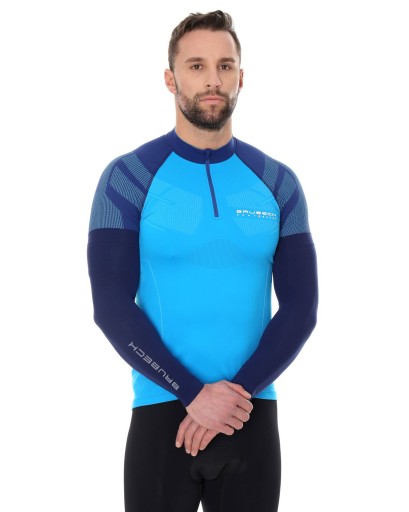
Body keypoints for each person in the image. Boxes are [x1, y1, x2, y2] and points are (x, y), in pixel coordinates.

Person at [87, 10, 318, 512]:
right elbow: (110, 306)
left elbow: (302, 309)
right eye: (196, 66)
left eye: (224, 66)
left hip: (250, 416)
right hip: (162, 414)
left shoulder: (279, 184)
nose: (213, 80)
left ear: (241, 77)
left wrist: (233, 397)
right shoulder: (128, 178)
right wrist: (193, 393)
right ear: (170, 79)